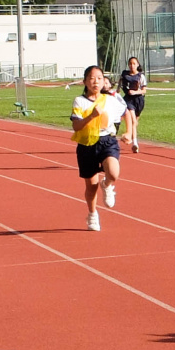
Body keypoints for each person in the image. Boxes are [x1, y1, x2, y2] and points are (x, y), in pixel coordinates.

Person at [71, 64, 127, 232]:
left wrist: (130, 132)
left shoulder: (111, 99)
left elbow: (127, 113)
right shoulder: (80, 101)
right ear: (85, 82)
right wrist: (92, 116)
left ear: (104, 82)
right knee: (91, 186)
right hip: (87, 145)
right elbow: (76, 126)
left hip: (107, 141)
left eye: (99, 78)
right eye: (92, 78)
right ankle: (92, 214)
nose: (95, 81)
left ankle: (107, 185)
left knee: (113, 173)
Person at [120, 55, 147, 153]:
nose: (132, 66)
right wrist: (116, 93)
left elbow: (144, 91)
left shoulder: (141, 76)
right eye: (130, 64)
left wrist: (135, 92)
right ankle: (135, 143)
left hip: (139, 100)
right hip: (128, 100)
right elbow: (119, 85)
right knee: (133, 121)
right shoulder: (124, 75)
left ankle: (129, 138)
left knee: (134, 123)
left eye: (134, 64)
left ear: (137, 64)